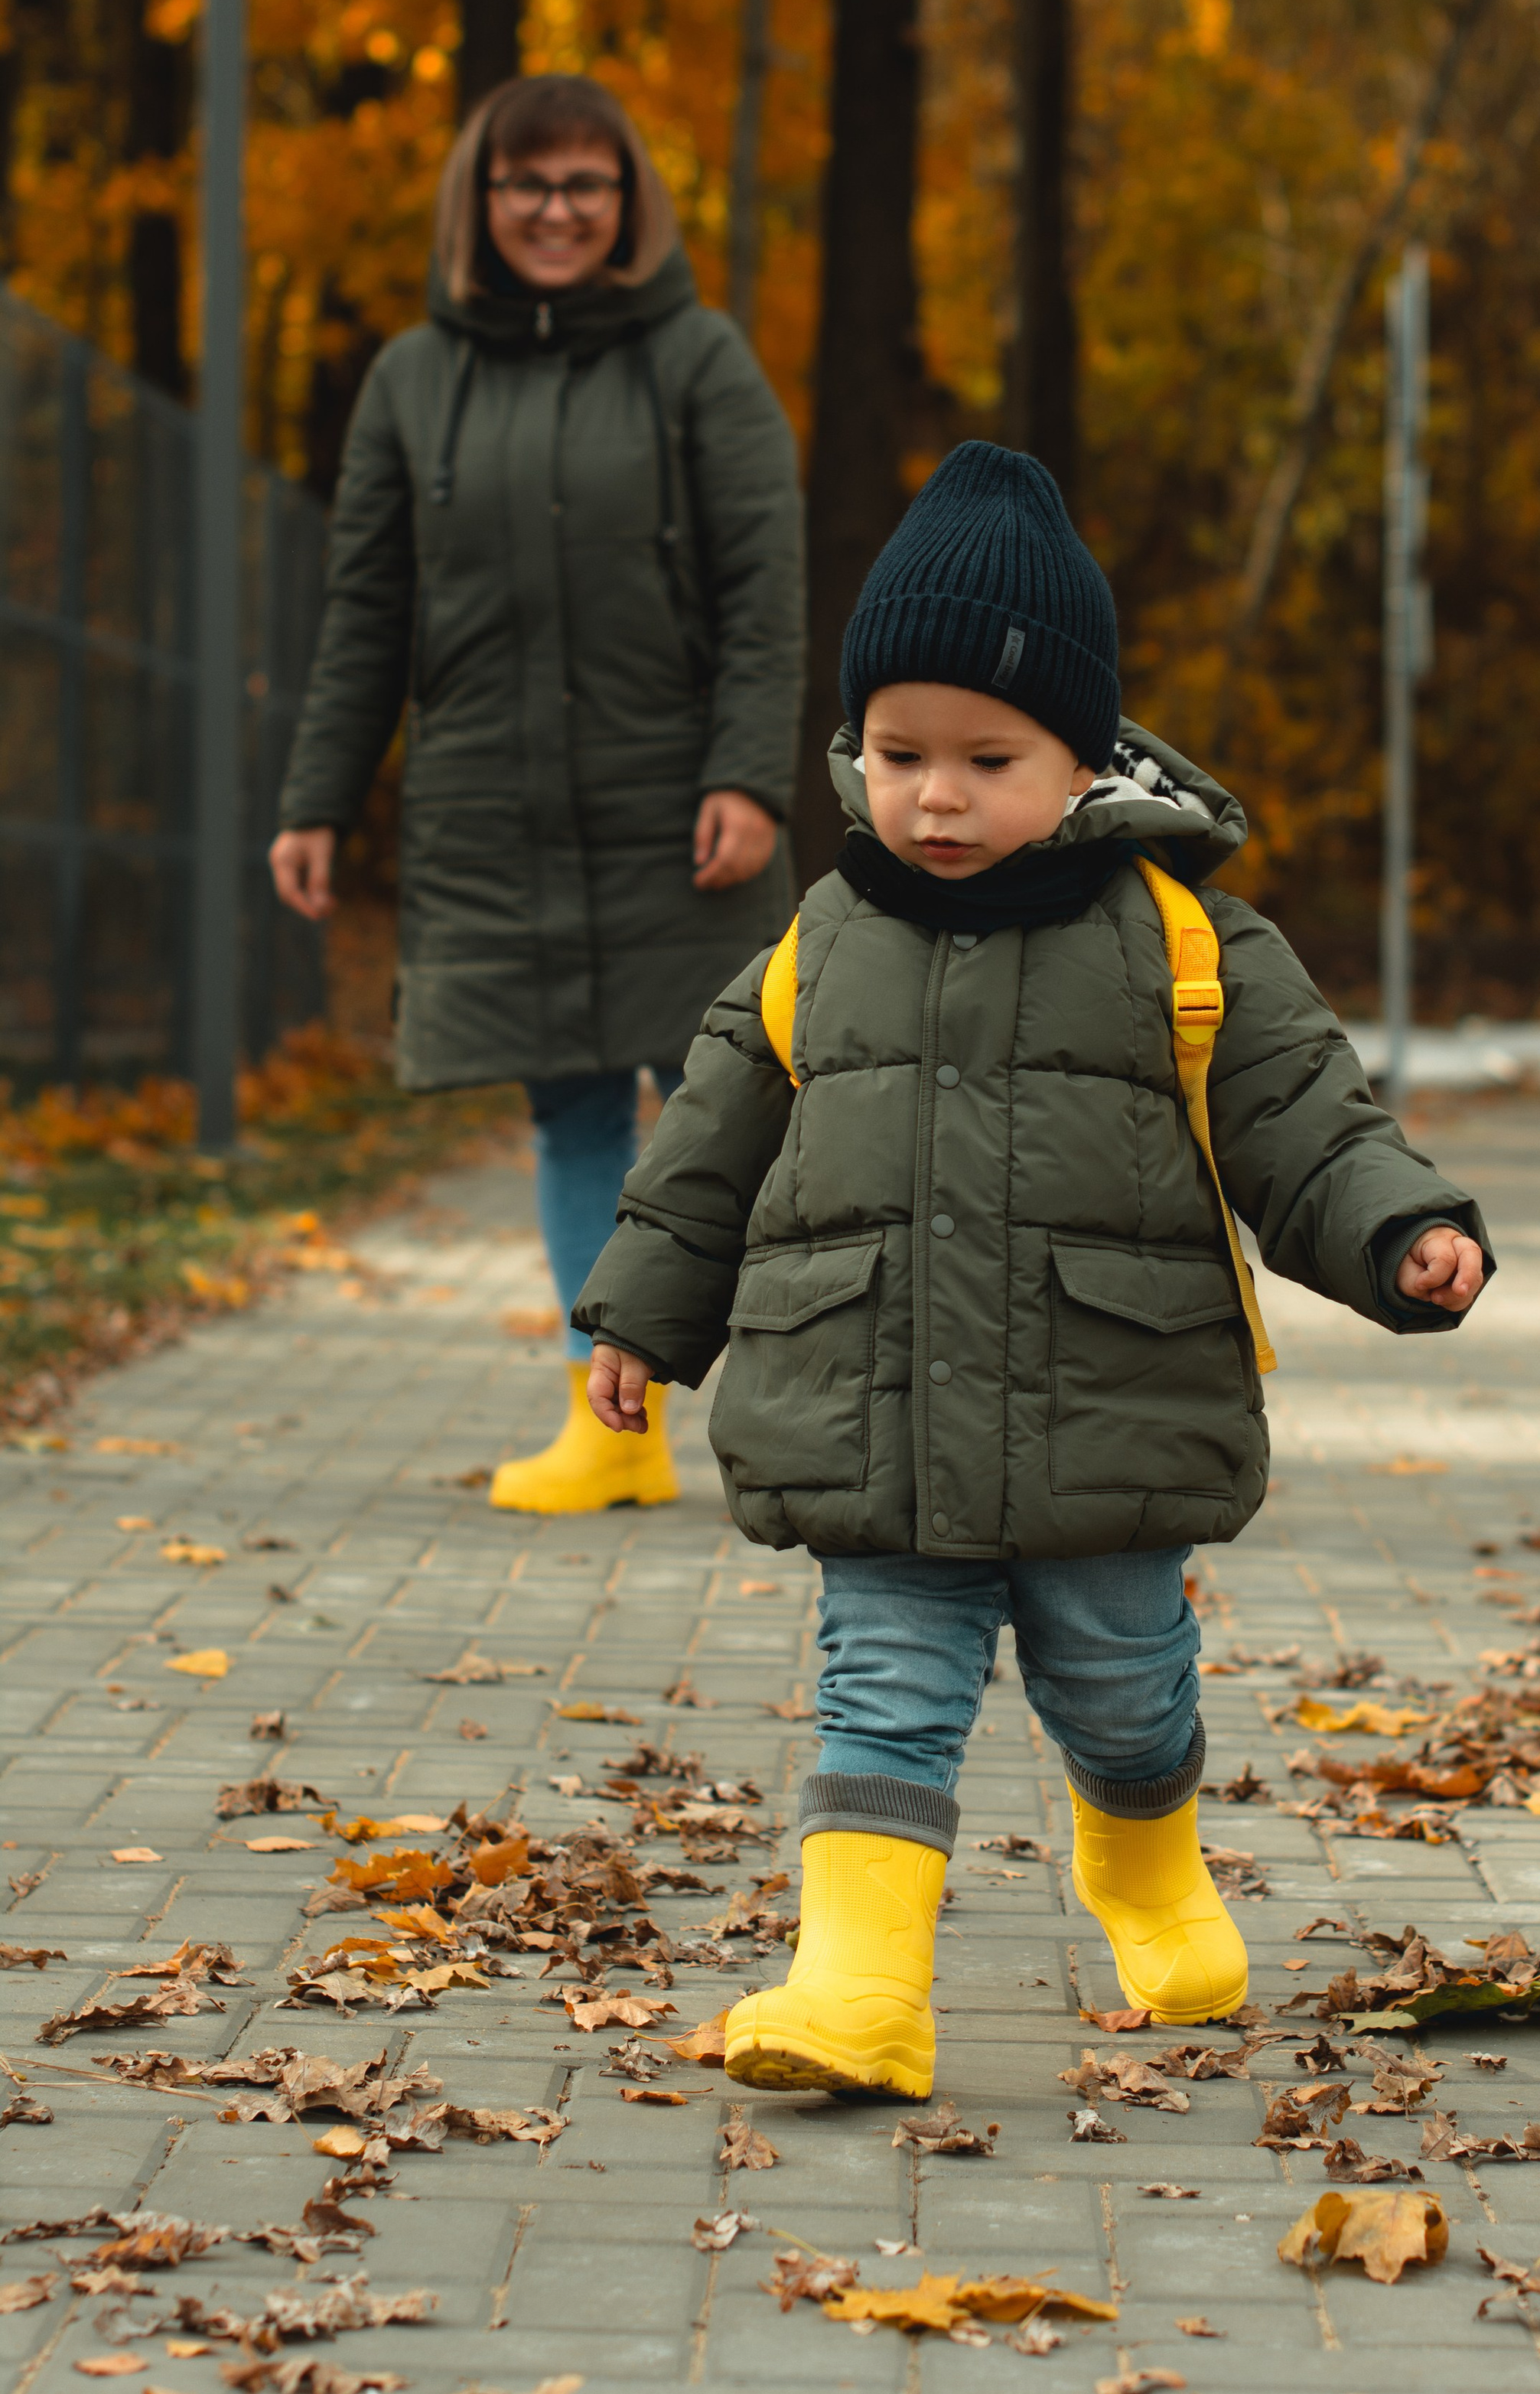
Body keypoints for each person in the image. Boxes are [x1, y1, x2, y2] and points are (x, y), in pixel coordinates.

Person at [570, 438, 1489, 2097]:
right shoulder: (819, 945)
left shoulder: (1182, 936)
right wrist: (640, 1317)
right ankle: (857, 1992)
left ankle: (1140, 1861)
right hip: (877, 1404)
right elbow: (709, 1143)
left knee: (1123, 1696)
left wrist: (1398, 1228)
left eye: (985, 758)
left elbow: (1303, 1117)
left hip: (1107, 1407)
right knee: (882, 1693)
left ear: (1081, 759)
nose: (933, 797)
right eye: (897, 752)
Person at [270, 73, 803, 1514]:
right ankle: (614, 1430)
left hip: (678, 809)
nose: (557, 211)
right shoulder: (411, 381)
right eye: (528, 186)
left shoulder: (698, 362)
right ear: (481, 205)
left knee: (739, 1109)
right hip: (493, 816)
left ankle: (809, 1412)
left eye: (585, 184)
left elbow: (765, 591)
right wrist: (317, 798)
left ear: (627, 201)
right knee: (573, 1114)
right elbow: (367, 608)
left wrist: (748, 772)